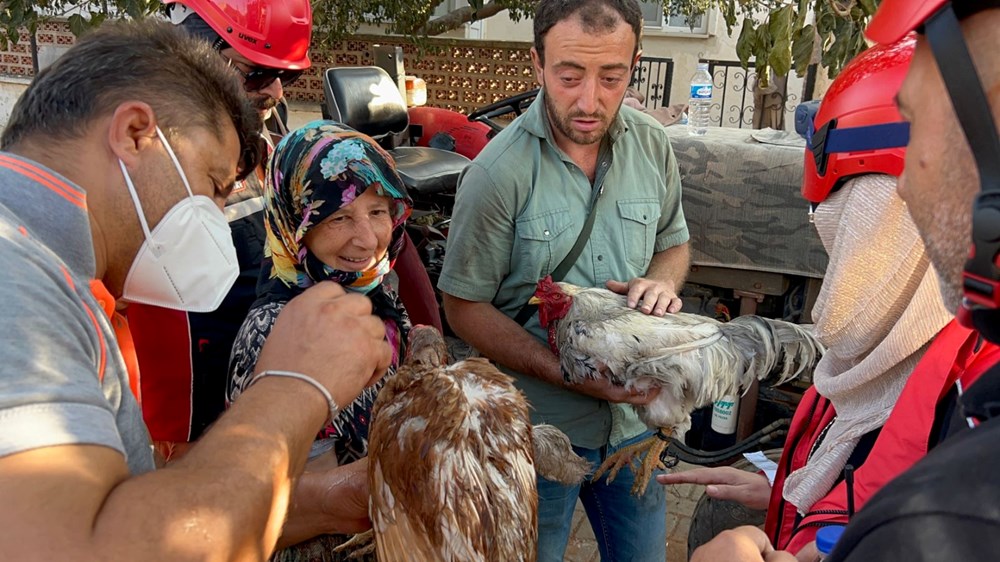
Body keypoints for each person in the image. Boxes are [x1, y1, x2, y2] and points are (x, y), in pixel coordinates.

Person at [0, 19, 391, 560]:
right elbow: (74, 548)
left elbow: (129, 513)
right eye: (210, 185)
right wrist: (294, 385)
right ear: (136, 132)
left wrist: (332, 498)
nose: (212, 216)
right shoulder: (13, 273)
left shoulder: (53, 275)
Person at [660, 36, 999, 558]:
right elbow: (859, 487)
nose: (837, 267)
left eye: (843, 232)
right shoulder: (871, 366)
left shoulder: (975, 416)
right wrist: (792, 494)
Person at [126, 0, 440, 453]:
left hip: (283, 384)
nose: (274, 92)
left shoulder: (261, 133)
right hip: (192, 420)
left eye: (286, 76)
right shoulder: (144, 162)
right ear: (191, 55)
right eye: (256, 74)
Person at [437, 0, 690, 558]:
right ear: (537, 64)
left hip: (635, 427)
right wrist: (567, 373)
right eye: (569, 75)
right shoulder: (497, 173)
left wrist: (664, 283)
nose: (588, 100)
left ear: (635, 64)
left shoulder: (652, 145)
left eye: (611, 77)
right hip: (537, 433)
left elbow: (673, 241)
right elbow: (462, 306)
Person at [227, 122, 412, 558]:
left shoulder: (374, 293)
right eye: (338, 217)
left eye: (378, 212)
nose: (366, 240)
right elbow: (313, 504)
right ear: (295, 220)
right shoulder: (279, 331)